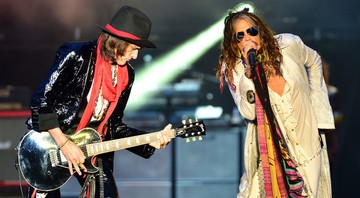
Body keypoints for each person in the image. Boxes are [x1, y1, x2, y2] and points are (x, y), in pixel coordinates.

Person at [24, 6, 173, 198]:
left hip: (92, 148)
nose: (135, 56)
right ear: (119, 42)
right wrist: (64, 144)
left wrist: (149, 140)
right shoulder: (77, 55)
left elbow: (115, 127)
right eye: (134, 49)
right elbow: (40, 101)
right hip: (52, 144)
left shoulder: (127, 74)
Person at [216, 5, 335, 198]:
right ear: (233, 43)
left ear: (260, 31)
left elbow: (314, 61)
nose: (247, 38)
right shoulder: (234, 70)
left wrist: (318, 110)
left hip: (307, 145)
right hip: (271, 153)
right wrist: (248, 72)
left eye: (251, 31)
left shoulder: (289, 44)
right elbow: (249, 112)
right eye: (240, 36)